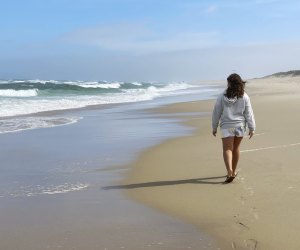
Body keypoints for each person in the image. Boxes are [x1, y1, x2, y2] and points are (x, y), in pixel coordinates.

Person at [212, 73, 255, 183]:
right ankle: (234, 171)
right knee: (235, 149)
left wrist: (214, 126)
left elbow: (216, 112)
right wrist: (252, 127)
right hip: (240, 126)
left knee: (227, 149)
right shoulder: (244, 96)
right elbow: (248, 113)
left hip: (227, 127)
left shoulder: (222, 96)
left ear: (230, 83)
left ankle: (229, 171)